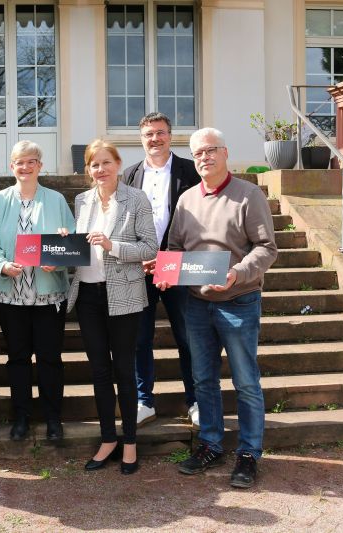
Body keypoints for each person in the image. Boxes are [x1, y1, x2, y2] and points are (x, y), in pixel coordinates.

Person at [157, 127, 277, 489]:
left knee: (245, 382)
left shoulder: (248, 195)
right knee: (203, 380)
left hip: (238, 301)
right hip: (196, 303)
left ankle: (249, 453)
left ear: (225, 153)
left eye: (211, 151)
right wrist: (165, 270)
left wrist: (237, 273)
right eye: (198, 154)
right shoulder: (187, 199)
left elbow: (267, 248)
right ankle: (210, 444)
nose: (204, 158)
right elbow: (176, 245)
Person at [67, 139, 158, 475]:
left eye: (106, 162)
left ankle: (130, 441)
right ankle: (108, 438)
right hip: (88, 294)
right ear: (87, 169)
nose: (100, 169)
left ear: (118, 164)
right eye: (94, 164)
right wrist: (67, 243)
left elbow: (150, 247)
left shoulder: (136, 198)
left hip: (125, 295)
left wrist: (111, 245)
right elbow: (80, 248)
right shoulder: (81, 200)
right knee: (99, 371)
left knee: (123, 369)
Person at [0, 140, 75, 442]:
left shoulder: (57, 200)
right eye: (19, 162)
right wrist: (1, 265)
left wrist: (58, 259)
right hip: (10, 295)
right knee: (18, 358)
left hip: (48, 295)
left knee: (50, 358)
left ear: (40, 165)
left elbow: (71, 242)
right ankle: (21, 416)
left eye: (31, 161)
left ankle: (52, 417)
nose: (25, 166)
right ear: (12, 166)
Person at [122, 112, 200, 427]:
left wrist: (169, 260)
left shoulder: (190, 172)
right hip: (139, 270)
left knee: (188, 337)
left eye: (160, 133)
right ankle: (144, 401)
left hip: (178, 268)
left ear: (171, 135)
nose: (155, 139)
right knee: (140, 339)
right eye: (149, 134)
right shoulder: (129, 175)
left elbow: (199, 222)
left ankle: (196, 401)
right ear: (141, 139)